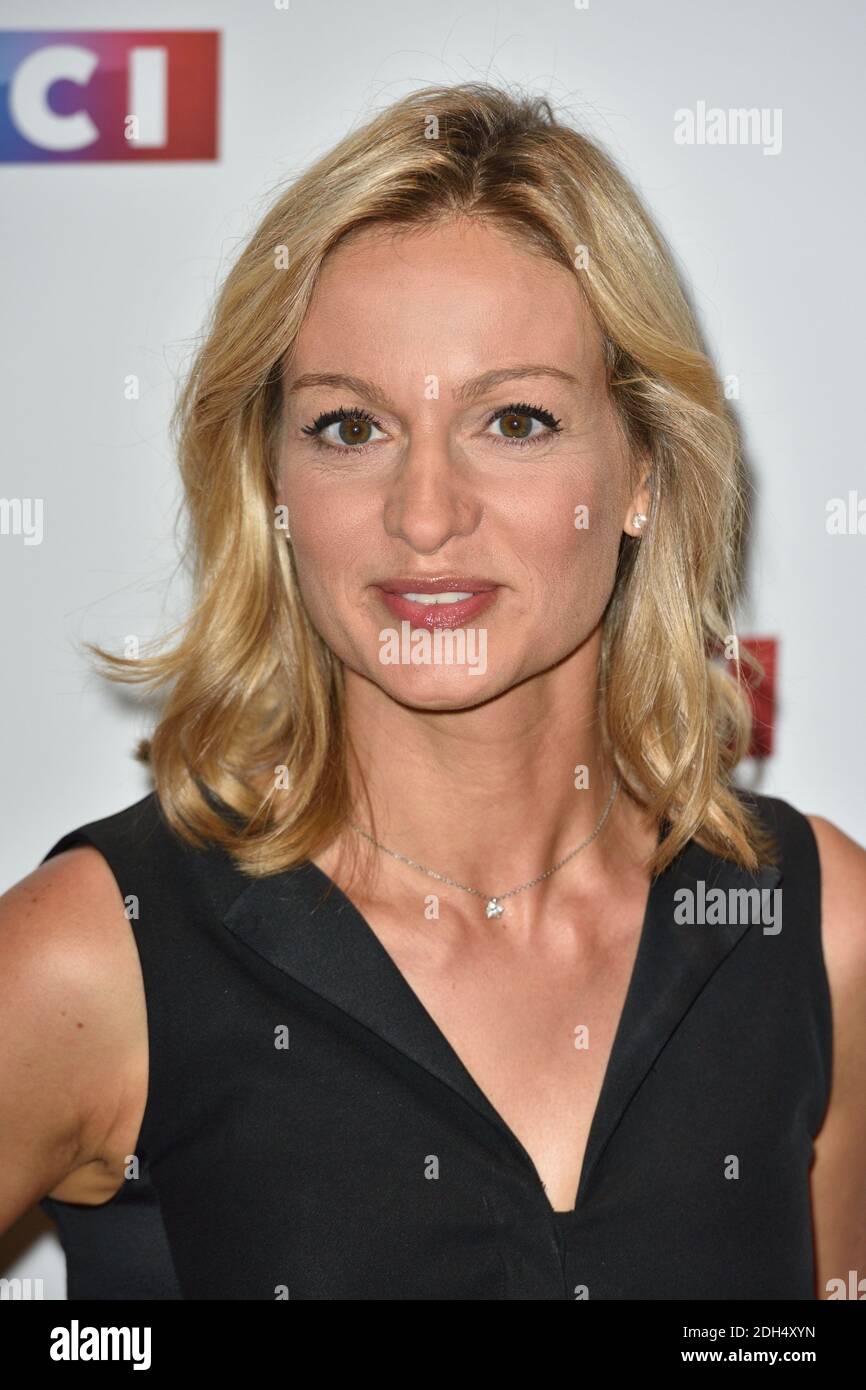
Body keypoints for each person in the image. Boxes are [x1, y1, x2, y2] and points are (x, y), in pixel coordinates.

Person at [1, 82, 864, 1301]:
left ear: (643, 472)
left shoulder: (815, 932)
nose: (422, 514)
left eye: (514, 419)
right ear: (273, 484)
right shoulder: (99, 953)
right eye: (350, 427)